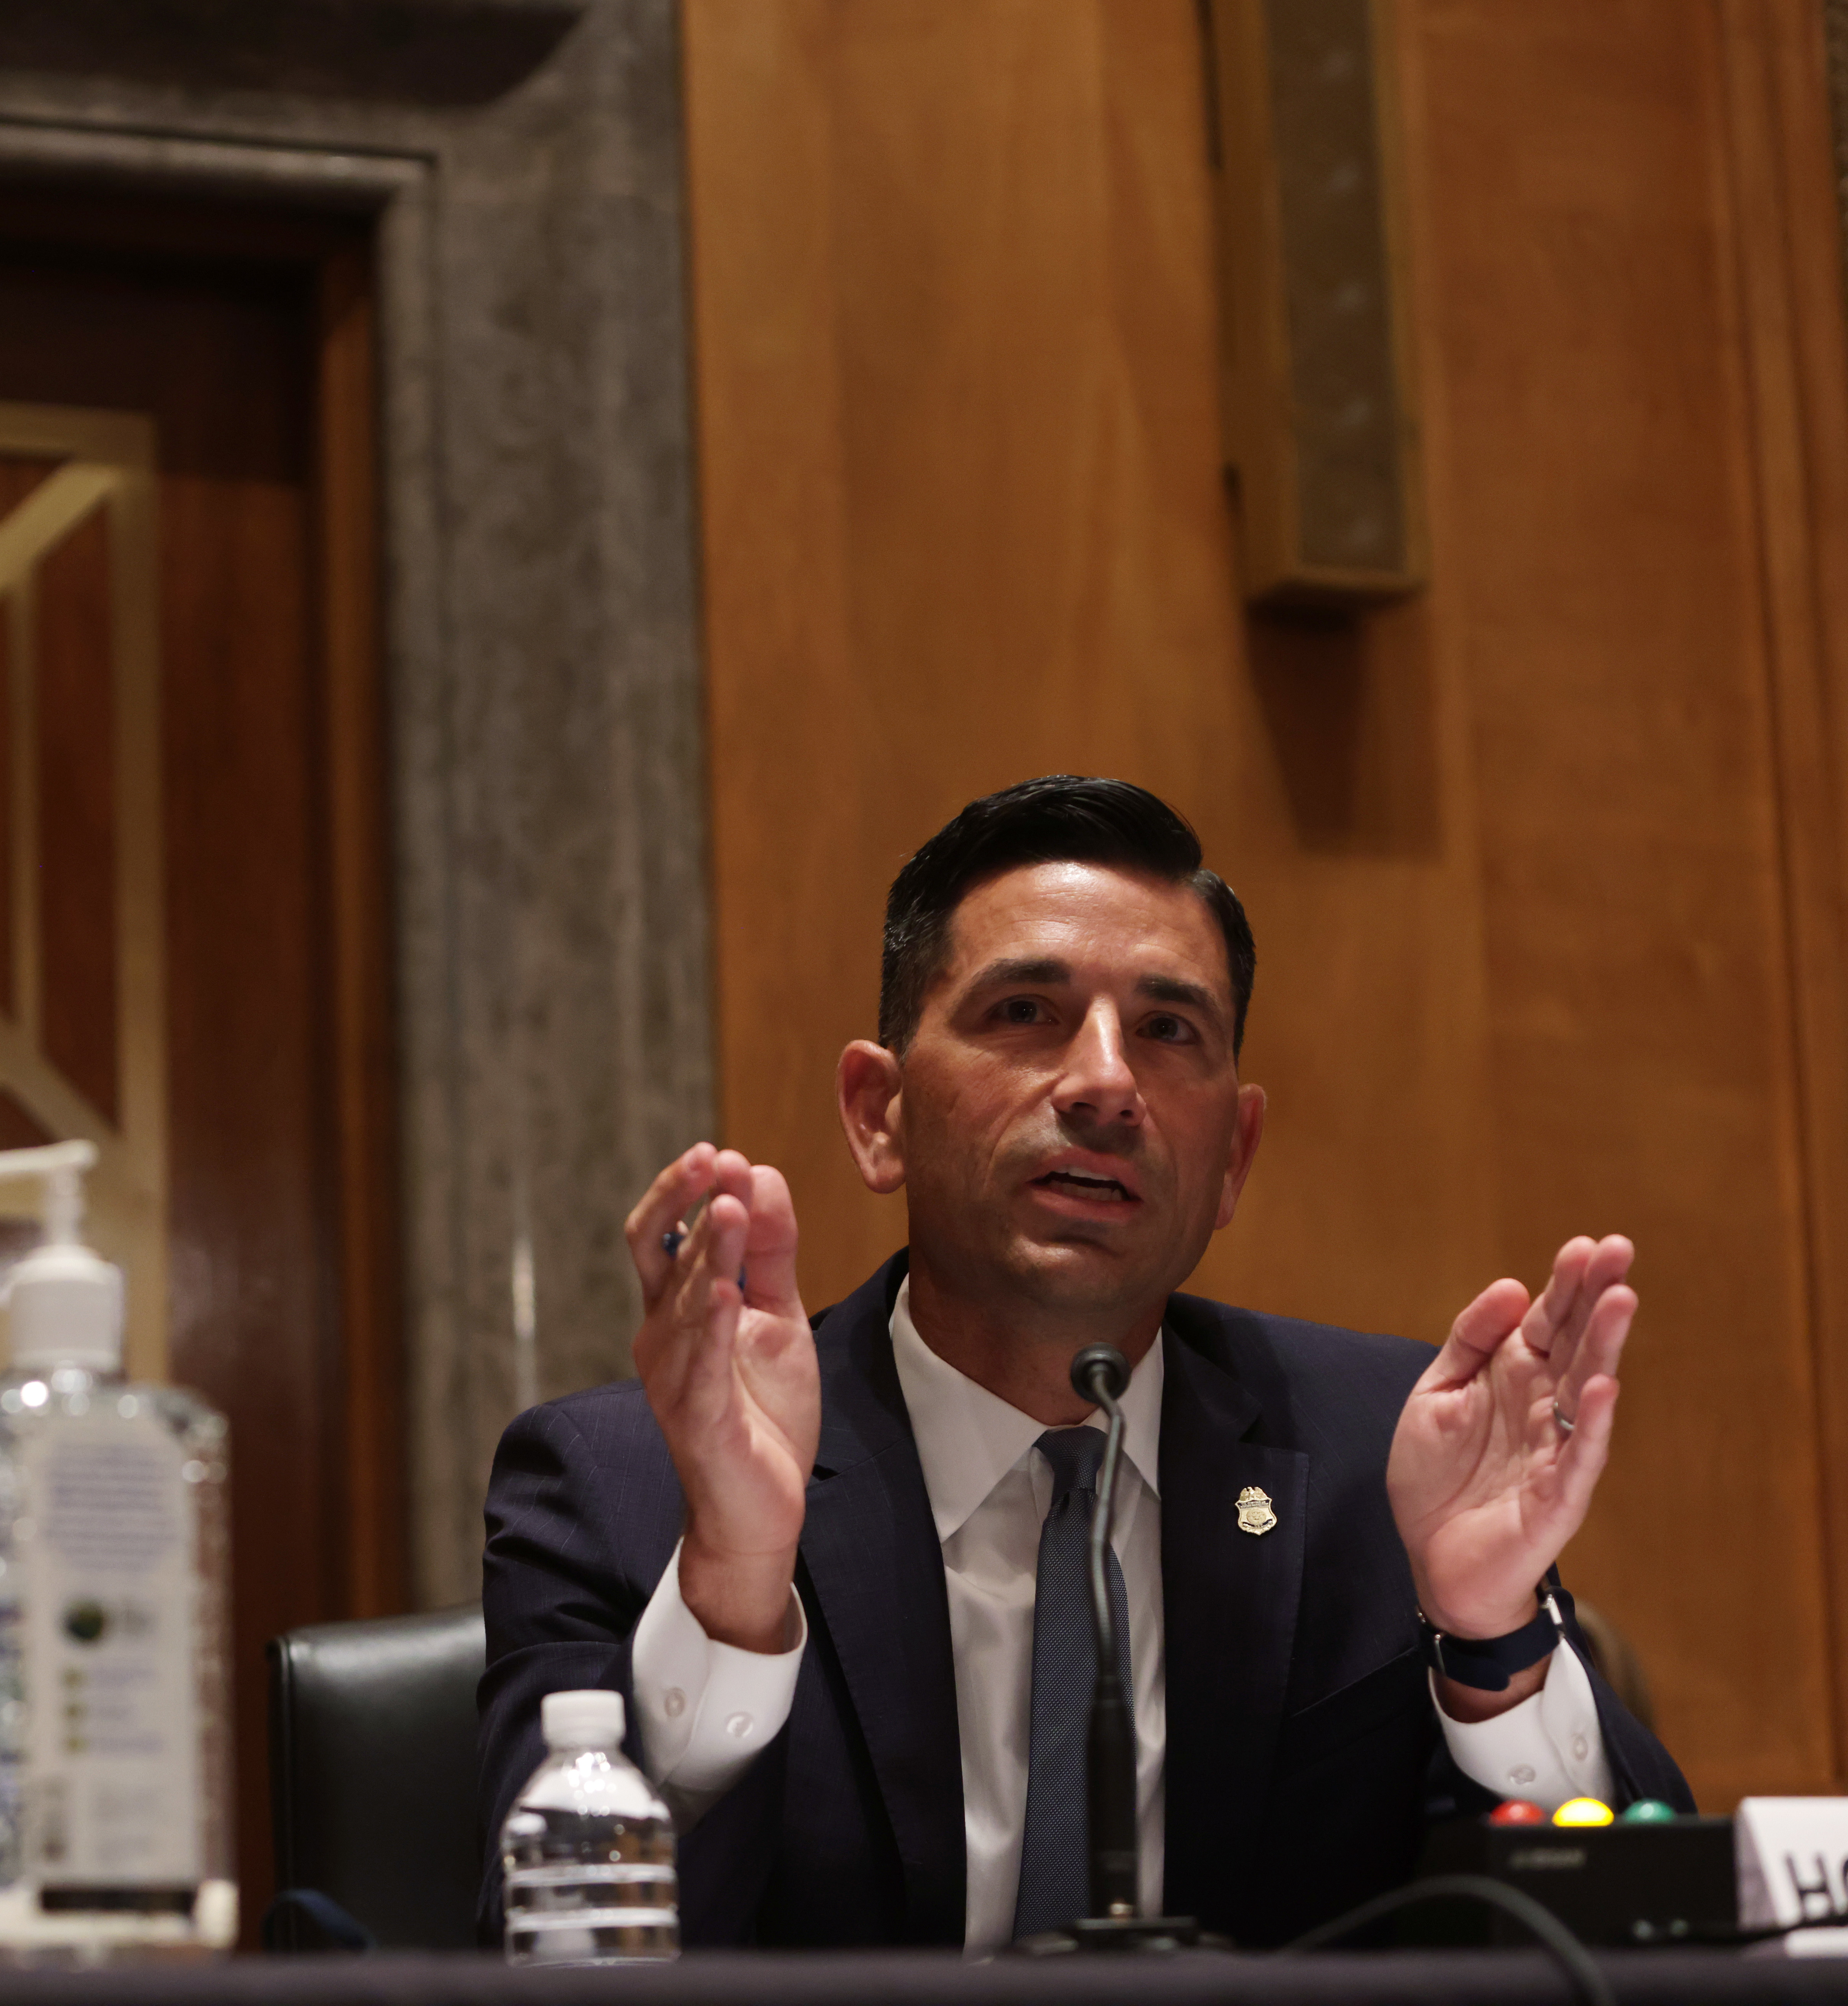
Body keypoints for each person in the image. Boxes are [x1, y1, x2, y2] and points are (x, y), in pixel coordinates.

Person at [478, 776, 1693, 1950]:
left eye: (1168, 1030)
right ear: (878, 1113)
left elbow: (1655, 1938)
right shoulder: (627, 1487)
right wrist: (736, 1589)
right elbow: (545, 1967)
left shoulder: (1387, 1457)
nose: (1107, 1082)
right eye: (1025, 1014)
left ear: (1233, 1156)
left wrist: (1490, 1642)